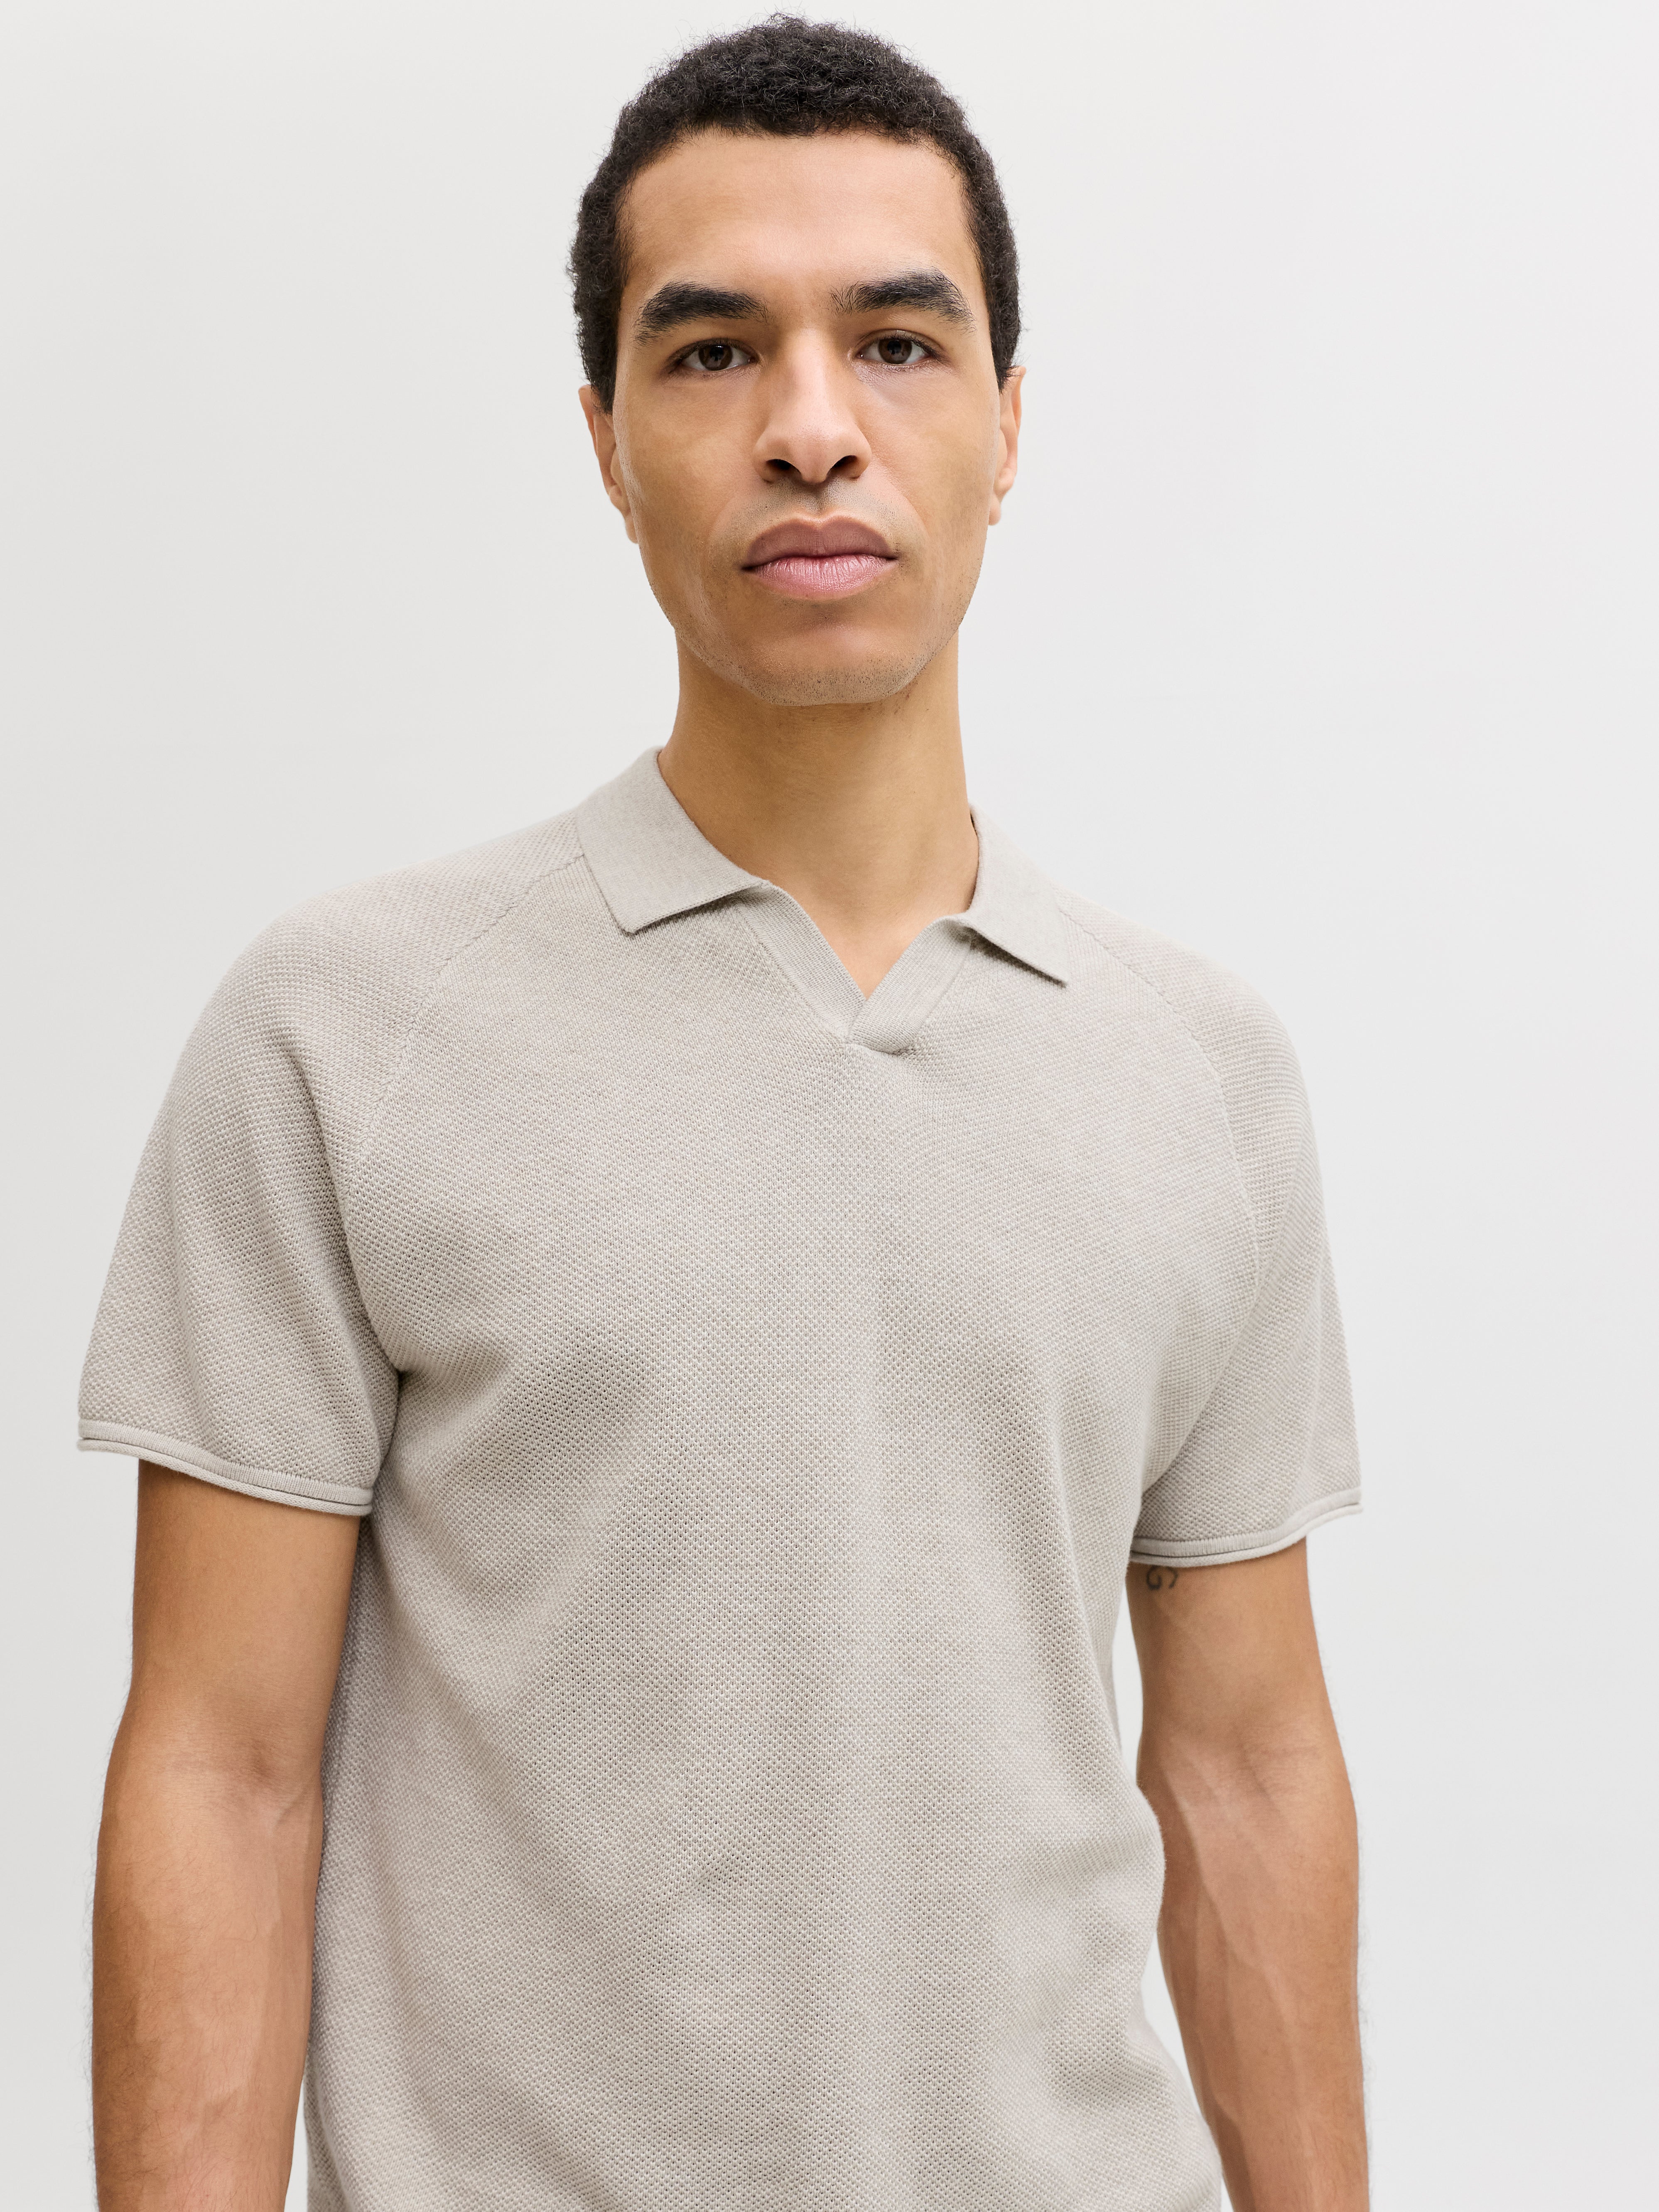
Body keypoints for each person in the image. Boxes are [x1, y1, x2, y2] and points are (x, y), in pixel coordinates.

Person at [82, 18, 1368, 2211]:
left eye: (897, 342)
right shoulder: (345, 1033)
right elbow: (221, 1771)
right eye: (711, 352)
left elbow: (1247, 1770)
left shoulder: (1200, 1072)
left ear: (1009, 421)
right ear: (604, 437)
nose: (811, 427)